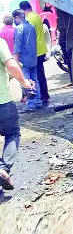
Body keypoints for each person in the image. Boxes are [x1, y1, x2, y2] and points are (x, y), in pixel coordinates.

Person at [0, 36, 35, 191]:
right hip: (3, 103)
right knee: (13, 133)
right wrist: (25, 82)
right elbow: (12, 65)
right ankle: (4, 168)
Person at [19, 1, 49, 104]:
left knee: (35, 75)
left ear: (23, 10)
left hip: (34, 51)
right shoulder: (36, 15)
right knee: (40, 74)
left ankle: (41, 96)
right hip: (40, 49)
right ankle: (44, 95)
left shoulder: (29, 19)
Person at [13, 10, 41, 111]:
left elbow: (18, 45)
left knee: (26, 81)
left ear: (17, 18)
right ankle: (38, 101)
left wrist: (15, 59)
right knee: (35, 80)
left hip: (24, 59)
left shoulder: (19, 29)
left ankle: (30, 105)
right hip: (33, 57)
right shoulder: (31, 26)